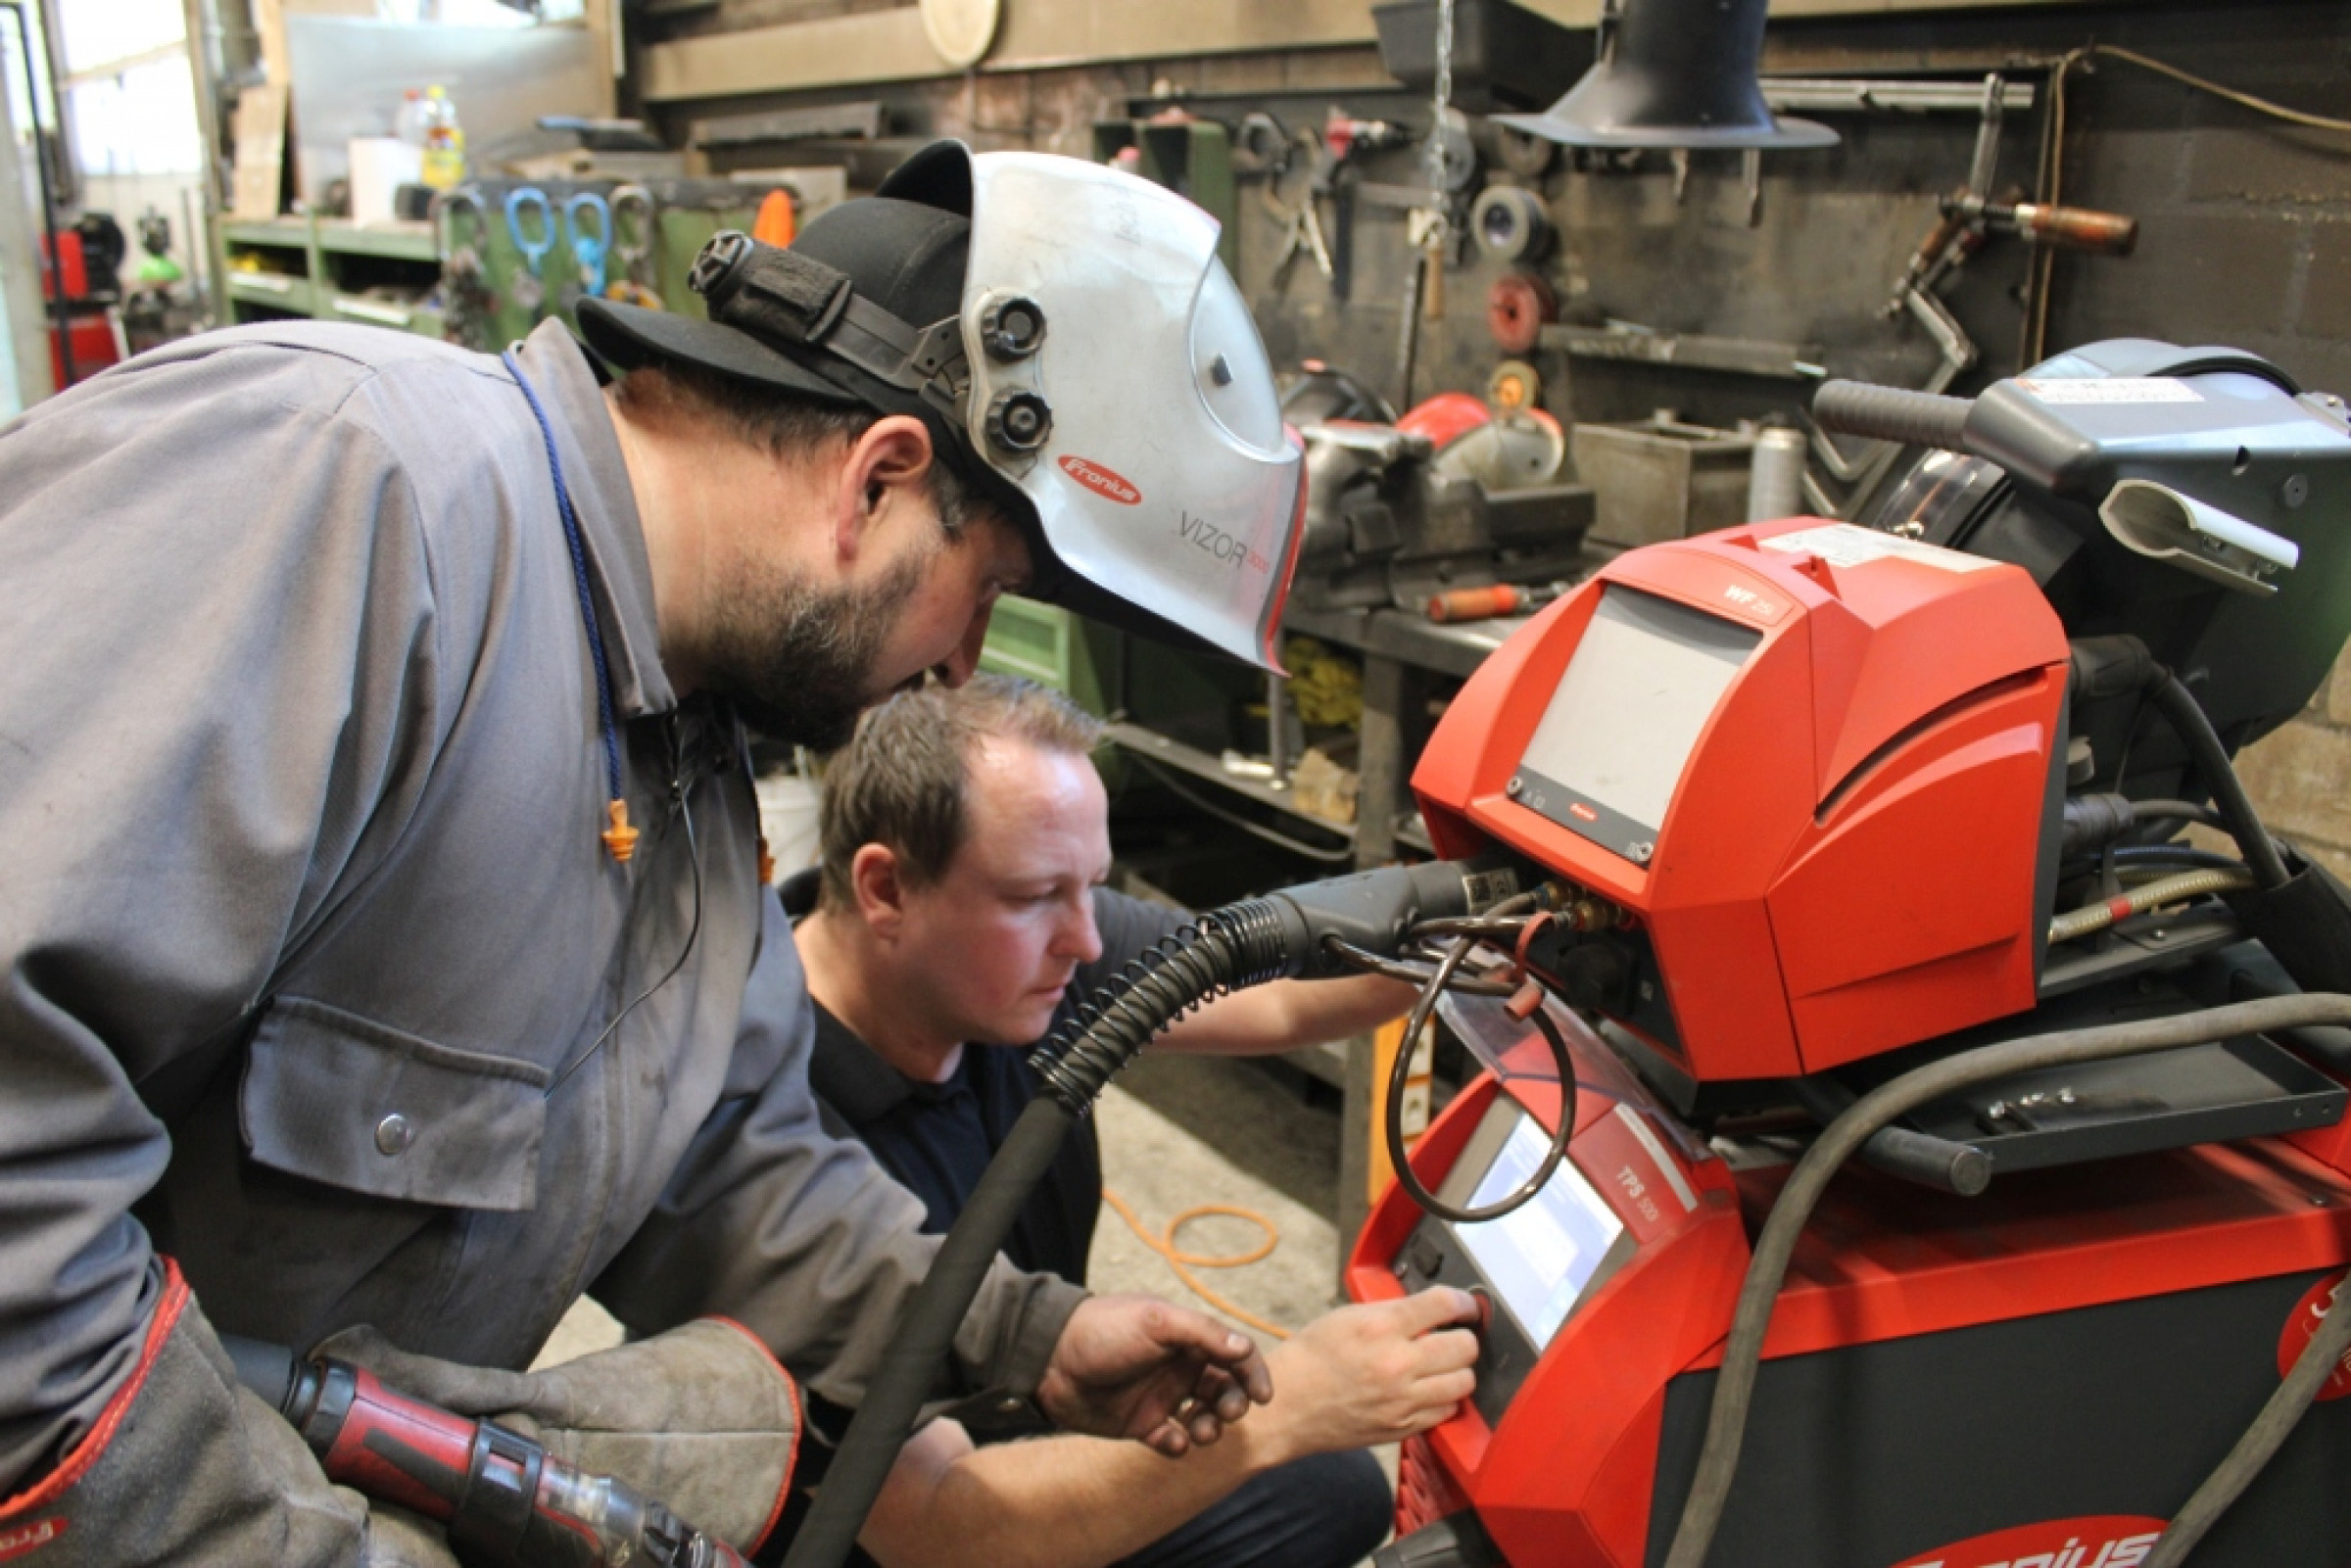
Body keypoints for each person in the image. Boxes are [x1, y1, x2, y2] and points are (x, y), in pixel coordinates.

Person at [0, 142, 1314, 1564]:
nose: (959, 667)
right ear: (877, 481)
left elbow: (721, 1170)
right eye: (983, 587)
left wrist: (1023, 1333)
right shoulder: (346, 490)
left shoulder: (685, 761)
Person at [784, 675, 1477, 1568]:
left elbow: (1277, 996)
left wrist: (1479, 920)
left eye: (1092, 887)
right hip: (897, 1536)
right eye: (1038, 895)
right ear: (886, 889)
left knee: (1332, 1492)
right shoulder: (769, 1127)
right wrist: (1295, 1404)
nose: (1086, 941)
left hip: (1023, 1410)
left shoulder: (1008, 948)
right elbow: (937, 1528)